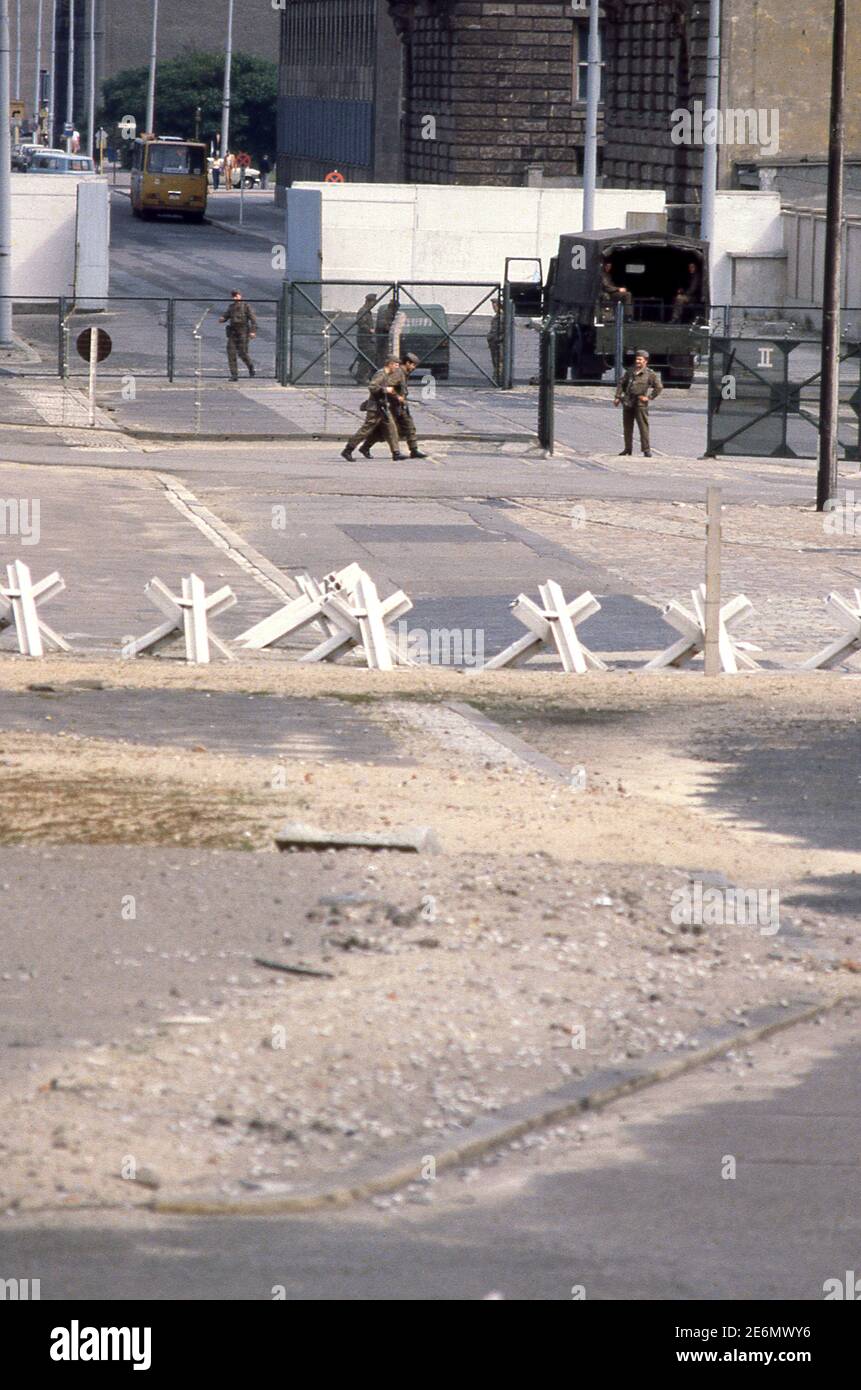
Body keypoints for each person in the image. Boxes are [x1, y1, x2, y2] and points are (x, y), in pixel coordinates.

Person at [341, 357, 404, 461]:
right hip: (375, 407)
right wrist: (385, 389)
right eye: (396, 365)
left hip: (382, 406)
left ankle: (396, 453)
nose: (397, 368)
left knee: (391, 428)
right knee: (366, 429)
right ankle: (348, 450)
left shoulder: (386, 375)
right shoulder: (381, 374)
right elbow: (372, 386)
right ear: (391, 364)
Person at [613, 348, 662, 457]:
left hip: (640, 404)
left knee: (643, 427)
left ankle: (646, 449)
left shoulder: (649, 374)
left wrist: (649, 397)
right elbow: (622, 383)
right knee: (627, 427)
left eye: (640, 360)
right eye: (637, 359)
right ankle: (627, 448)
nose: (638, 361)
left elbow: (659, 387)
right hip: (628, 402)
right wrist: (617, 397)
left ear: (645, 361)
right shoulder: (630, 371)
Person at [391, 352, 427, 459]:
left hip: (400, 406)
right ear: (407, 363)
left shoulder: (404, 373)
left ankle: (413, 449)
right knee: (382, 431)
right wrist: (398, 397)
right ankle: (361, 447)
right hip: (394, 406)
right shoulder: (398, 373)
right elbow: (388, 387)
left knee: (409, 426)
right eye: (413, 365)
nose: (414, 368)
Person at [219, 289, 257, 380]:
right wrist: (222, 319)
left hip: (243, 331)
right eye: (234, 296)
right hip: (233, 332)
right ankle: (234, 375)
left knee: (242, 352)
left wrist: (253, 331)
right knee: (231, 353)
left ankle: (250, 367)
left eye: (237, 295)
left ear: (240, 295)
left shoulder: (246, 306)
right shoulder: (231, 307)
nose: (235, 297)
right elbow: (226, 316)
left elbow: (253, 320)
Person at [351, 293, 377, 384]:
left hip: (367, 338)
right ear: (369, 302)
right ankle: (361, 377)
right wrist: (369, 330)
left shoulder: (367, 311)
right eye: (373, 303)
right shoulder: (363, 311)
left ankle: (362, 375)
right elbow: (360, 322)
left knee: (366, 356)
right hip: (364, 338)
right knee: (368, 356)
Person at [487, 298, 504, 382]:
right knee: (495, 361)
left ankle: (499, 379)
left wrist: (498, 339)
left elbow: (503, 330)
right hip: (494, 343)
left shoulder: (502, 317)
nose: (493, 307)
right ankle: (497, 377)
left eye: (495, 305)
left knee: (499, 361)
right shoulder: (497, 317)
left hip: (499, 343)